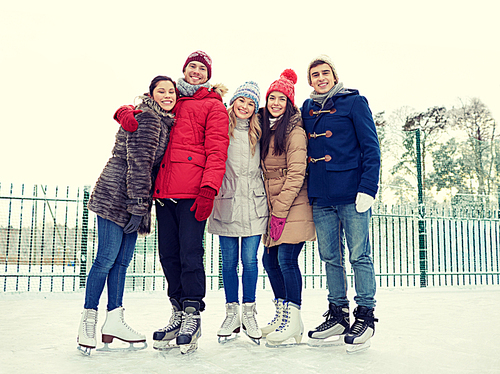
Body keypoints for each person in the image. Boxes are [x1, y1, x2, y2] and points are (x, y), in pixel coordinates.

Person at [115, 50, 229, 354]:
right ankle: (177, 310)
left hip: (193, 191)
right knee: (168, 255)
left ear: (208, 74)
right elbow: (142, 105)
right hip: (164, 192)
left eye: (201, 69)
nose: (196, 72)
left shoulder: (214, 107)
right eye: (191, 66)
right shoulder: (171, 98)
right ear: (184, 69)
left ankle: (192, 313)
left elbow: (218, 151)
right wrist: (125, 112)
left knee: (191, 253)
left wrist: (209, 189)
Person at [77, 75, 177, 355]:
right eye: (162, 91)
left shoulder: (161, 120)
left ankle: (114, 321)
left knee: (121, 263)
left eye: (172, 91)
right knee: (107, 258)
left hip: (133, 197)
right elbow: (140, 163)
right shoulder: (149, 119)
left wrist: (139, 204)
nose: (168, 95)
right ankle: (88, 320)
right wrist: (137, 204)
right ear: (152, 94)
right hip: (116, 195)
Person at [301, 55, 380, 353]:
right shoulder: (306, 108)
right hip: (321, 195)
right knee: (330, 257)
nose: (321, 78)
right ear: (310, 81)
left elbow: (371, 147)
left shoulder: (354, 102)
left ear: (334, 76)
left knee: (359, 255)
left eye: (325, 73)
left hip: (352, 194)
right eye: (315, 75)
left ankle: (365, 315)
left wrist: (368, 188)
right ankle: (337, 314)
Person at [258, 69, 316, 347]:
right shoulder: (265, 127)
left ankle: (293, 319)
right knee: (269, 261)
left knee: (286, 260)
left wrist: (279, 211)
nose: (276, 102)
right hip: (274, 204)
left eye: (282, 98)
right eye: (272, 97)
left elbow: (296, 174)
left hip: (293, 203)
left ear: (289, 102)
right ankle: (283, 315)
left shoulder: (294, 132)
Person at [207, 81, 268, 345]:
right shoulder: (222, 126)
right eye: (241, 101)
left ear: (255, 108)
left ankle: (249, 312)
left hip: (255, 203)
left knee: (251, 262)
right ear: (233, 102)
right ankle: (231, 312)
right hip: (227, 201)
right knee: (229, 263)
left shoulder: (260, 131)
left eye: (251, 103)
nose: (244, 106)